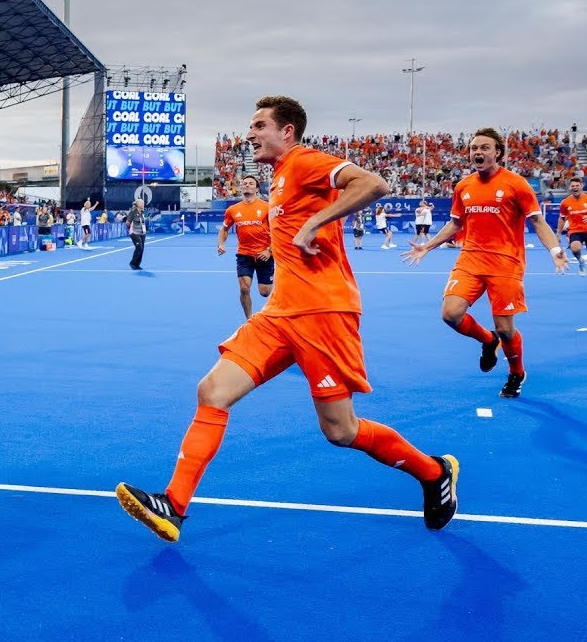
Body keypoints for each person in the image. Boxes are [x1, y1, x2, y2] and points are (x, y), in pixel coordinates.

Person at [116, 95, 458, 543]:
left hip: (323, 312)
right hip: (279, 313)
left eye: (259, 125)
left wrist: (314, 222)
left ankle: (434, 472)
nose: (250, 134)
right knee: (212, 391)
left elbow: (374, 184)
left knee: (341, 430)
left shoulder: (303, 161)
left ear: (287, 131)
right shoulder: (277, 178)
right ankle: (173, 506)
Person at [403, 127, 568, 398]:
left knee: (506, 329)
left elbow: (538, 221)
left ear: (497, 153)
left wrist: (555, 249)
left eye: (484, 147)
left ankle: (516, 372)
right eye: (474, 148)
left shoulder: (516, 184)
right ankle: (487, 340)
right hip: (470, 260)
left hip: (506, 264)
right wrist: (427, 246)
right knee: (450, 314)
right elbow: (456, 224)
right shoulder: (463, 186)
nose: (477, 152)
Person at [217, 174, 273, 319]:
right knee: (244, 288)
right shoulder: (232, 210)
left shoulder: (267, 207)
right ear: (241, 187)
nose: (247, 185)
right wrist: (221, 244)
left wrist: (269, 250)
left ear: (257, 189)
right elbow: (224, 229)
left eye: (251, 183)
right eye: (245, 183)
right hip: (244, 254)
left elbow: (278, 231)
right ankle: (249, 320)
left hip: (264, 254)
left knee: (265, 292)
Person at [557, 177, 587, 291]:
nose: (575, 187)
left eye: (577, 185)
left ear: (581, 186)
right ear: (570, 187)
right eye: (572, 186)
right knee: (575, 249)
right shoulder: (565, 202)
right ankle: (581, 261)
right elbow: (562, 218)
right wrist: (558, 234)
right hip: (575, 230)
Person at [125, 198, 147, 270]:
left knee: (142, 248)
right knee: (139, 247)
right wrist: (131, 229)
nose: (143, 204)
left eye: (143, 203)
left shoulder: (142, 212)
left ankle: (137, 264)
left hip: (142, 233)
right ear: (138, 204)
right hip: (134, 233)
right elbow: (127, 222)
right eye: (142, 203)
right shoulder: (133, 212)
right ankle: (132, 263)